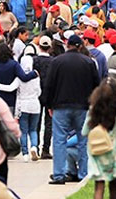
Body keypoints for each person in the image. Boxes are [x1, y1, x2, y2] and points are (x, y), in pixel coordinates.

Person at [41, 34, 101, 184]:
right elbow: (96, 85)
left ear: (67, 45)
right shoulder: (88, 62)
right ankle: (83, 173)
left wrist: (48, 104)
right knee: (83, 141)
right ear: (80, 46)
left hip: (60, 106)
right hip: (83, 106)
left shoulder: (57, 62)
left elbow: (49, 85)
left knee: (59, 140)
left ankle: (59, 174)